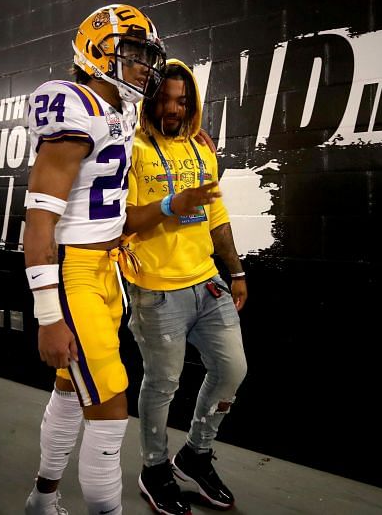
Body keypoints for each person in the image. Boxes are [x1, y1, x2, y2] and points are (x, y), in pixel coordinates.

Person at [23, 4, 166, 515]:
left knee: (68, 390)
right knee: (110, 406)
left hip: (106, 272)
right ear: (97, 52)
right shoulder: (72, 104)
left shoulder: (118, 111)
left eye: (148, 55)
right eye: (133, 53)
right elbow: (38, 221)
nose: (145, 65)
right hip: (73, 274)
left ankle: (41, 500)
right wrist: (47, 316)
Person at [124, 60, 249, 514]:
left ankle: (195, 454)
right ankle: (154, 468)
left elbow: (216, 216)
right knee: (162, 384)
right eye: (164, 98)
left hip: (207, 282)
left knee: (232, 369)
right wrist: (169, 204)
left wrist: (235, 271)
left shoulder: (201, 150)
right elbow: (123, 221)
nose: (173, 108)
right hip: (156, 290)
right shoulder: (132, 148)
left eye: (182, 100)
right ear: (149, 98)